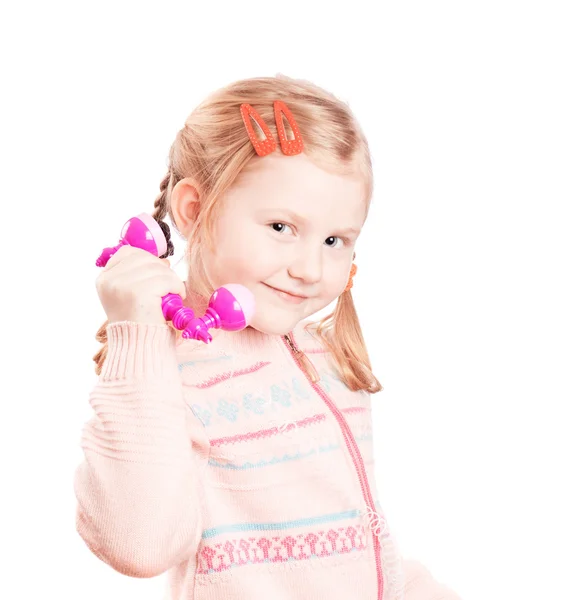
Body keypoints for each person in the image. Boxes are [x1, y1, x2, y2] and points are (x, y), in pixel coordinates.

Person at [74, 74, 461, 600]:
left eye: (334, 239)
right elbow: (141, 544)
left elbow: (358, 555)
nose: (308, 267)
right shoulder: (166, 371)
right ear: (194, 211)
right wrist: (137, 330)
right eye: (281, 227)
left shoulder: (326, 358)